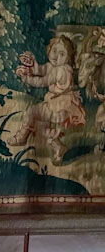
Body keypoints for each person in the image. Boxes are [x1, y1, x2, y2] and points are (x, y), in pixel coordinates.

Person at [9, 35, 86, 165]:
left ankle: (22, 137)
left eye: (62, 54)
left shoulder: (62, 70)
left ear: (68, 58)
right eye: (54, 50)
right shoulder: (53, 66)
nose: (56, 56)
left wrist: (26, 78)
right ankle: (58, 147)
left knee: (32, 111)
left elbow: (42, 81)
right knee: (42, 126)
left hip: (60, 106)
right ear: (49, 49)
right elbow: (40, 70)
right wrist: (32, 65)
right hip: (57, 104)